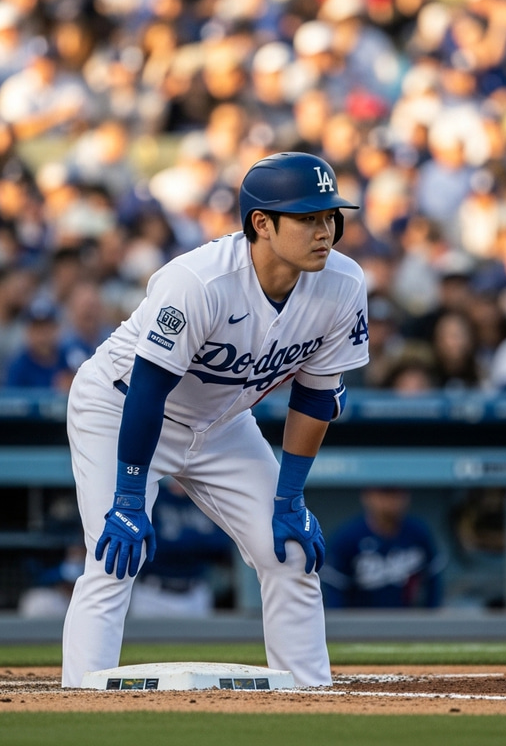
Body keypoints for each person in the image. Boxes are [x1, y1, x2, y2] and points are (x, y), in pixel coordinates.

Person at [61, 152, 369, 688]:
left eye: (330, 217)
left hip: (220, 423)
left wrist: (289, 497)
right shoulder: (200, 282)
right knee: (115, 556)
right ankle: (81, 703)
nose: (325, 231)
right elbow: (147, 392)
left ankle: (311, 701)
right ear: (262, 224)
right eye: (308, 218)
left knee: (292, 554)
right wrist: (131, 497)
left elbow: (316, 399)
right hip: (120, 409)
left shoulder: (343, 284)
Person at [321, 487, 443, 609]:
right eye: (385, 493)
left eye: (397, 493)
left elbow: (434, 581)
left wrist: (430, 618)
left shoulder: (418, 533)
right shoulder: (347, 537)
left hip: (409, 621)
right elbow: (334, 591)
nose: (392, 501)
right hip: (361, 622)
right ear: (367, 496)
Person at [128, 478, 234, 618]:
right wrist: (197, 541)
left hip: (195, 592)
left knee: (201, 639)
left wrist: (178, 540)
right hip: (152, 592)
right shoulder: (156, 496)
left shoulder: (206, 500)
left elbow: (222, 544)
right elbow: (152, 546)